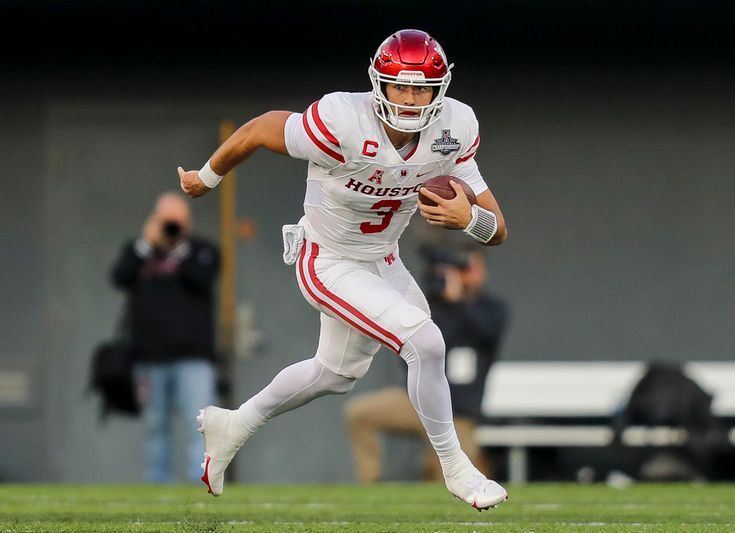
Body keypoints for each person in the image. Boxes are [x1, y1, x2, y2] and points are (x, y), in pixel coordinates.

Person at [177, 29, 509, 510]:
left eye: (422, 88)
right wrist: (207, 178)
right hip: (328, 258)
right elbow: (260, 128)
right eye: (401, 86)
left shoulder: (453, 128)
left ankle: (234, 424)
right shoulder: (341, 120)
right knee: (426, 341)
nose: (412, 99)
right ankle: (457, 469)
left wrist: (469, 219)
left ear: (441, 89)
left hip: (383, 259)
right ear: (380, 84)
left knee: (335, 373)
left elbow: (497, 228)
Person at [344, 244, 508, 483]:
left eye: (469, 268)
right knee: (359, 414)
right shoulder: (434, 304)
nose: (463, 274)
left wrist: (458, 300)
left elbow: (485, 333)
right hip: (416, 402)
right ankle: (372, 485)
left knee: (450, 476)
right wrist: (437, 292)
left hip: (459, 413)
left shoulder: (492, 309)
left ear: (482, 271)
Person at [111, 191, 220, 483]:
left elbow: (203, 279)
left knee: (200, 426)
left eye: (178, 221)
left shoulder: (201, 250)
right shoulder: (139, 251)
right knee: (154, 426)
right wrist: (146, 244)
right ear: (155, 219)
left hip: (194, 358)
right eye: (167, 220)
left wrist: (177, 249)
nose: (172, 227)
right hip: (149, 358)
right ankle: (158, 485)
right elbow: (119, 277)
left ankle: (202, 485)